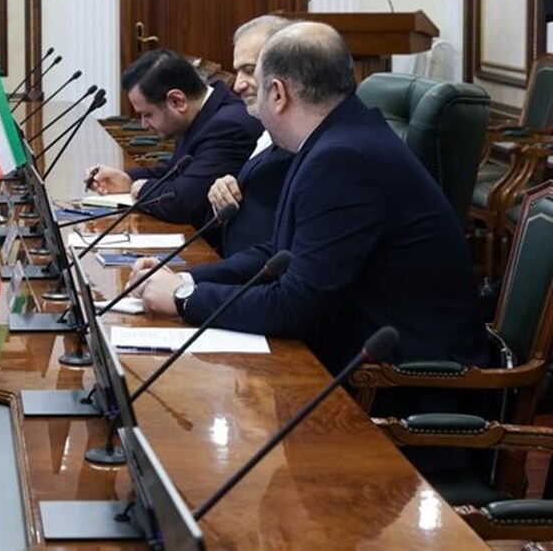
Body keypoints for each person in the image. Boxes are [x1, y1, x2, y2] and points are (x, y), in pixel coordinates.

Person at [137, 22, 489, 389]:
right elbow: (279, 252)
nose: (243, 93)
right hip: (363, 353)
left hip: (406, 382)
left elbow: (296, 306)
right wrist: (186, 279)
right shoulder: (334, 139)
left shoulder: (343, 159)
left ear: (278, 93)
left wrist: (184, 298)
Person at [84, 49, 261, 228]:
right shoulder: (200, 114)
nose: (144, 124)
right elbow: (176, 171)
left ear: (177, 101)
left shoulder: (228, 127)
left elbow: (184, 203)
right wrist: (128, 180)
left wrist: (142, 189)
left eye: (147, 114)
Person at [205, 15, 295, 256]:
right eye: (238, 72)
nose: (238, 85)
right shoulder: (267, 130)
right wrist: (221, 195)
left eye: (249, 70)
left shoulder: (298, 139)